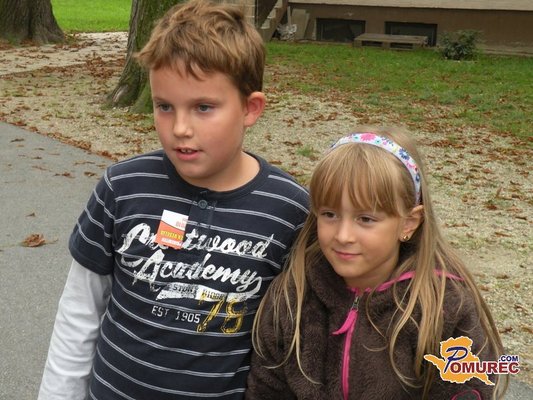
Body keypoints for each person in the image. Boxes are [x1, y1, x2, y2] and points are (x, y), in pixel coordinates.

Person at [38, 1, 309, 399]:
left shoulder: (290, 210)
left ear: (250, 109)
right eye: (164, 106)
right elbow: (80, 311)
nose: (180, 128)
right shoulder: (123, 187)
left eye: (203, 107)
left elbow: (295, 336)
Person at [245, 128, 508, 399]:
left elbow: (467, 389)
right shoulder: (293, 295)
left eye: (366, 219)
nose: (343, 236)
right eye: (330, 214)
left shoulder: (444, 305)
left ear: (408, 223)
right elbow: (266, 387)